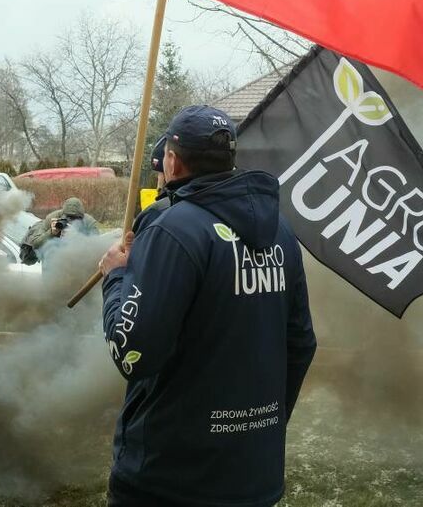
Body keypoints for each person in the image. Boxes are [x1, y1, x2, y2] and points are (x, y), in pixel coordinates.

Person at [98, 105, 317, 507]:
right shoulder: (282, 232)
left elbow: (133, 354)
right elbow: (301, 343)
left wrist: (116, 276)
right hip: (253, 475)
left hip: (168, 482)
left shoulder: (173, 230)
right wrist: (261, 430)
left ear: (172, 160)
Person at [21, 197, 99, 266]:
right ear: (63, 214)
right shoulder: (53, 218)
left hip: (78, 267)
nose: (71, 221)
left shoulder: (89, 223)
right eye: (68, 217)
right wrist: (51, 233)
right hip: (52, 266)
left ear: (81, 217)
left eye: (75, 218)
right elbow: (35, 244)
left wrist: (77, 237)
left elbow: (97, 248)